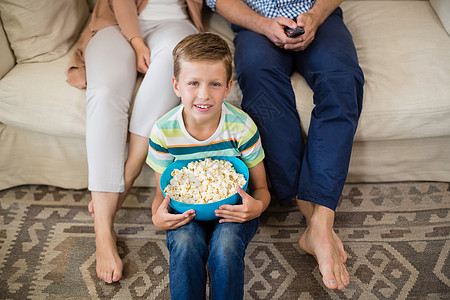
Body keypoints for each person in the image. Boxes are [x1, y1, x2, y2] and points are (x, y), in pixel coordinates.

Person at [205, 0, 364, 291]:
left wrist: (315, 16)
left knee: (342, 82)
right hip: (256, 23)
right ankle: (313, 222)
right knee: (260, 87)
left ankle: (322, 220)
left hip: (318, 18)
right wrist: (265, 25)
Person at [66, 0, 204, 284]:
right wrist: (138, 43)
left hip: (174, 24)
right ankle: (103, 230)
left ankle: (128, 175)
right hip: (115, 24)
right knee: (103, 93)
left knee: (176, 63)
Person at [147, 32, 271, 299]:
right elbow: (162, 194)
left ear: (228, 87)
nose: (204, 95)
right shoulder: (163, 132)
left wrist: (256, 207)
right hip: (186, 211)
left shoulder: (241, 127)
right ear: (176, 85)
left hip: (233, 210)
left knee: (225, 245)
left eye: (214, 84)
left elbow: (261, 189)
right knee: (184, 241)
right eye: (193, 83)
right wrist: (158, 217)